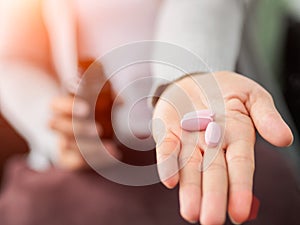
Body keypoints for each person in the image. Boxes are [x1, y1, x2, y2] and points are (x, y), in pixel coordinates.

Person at [0, 0, 299, 225]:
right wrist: (55, 125)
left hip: (195, 137)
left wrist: (186, 77)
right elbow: (14, 56)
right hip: (91, 159)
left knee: (264, 192)